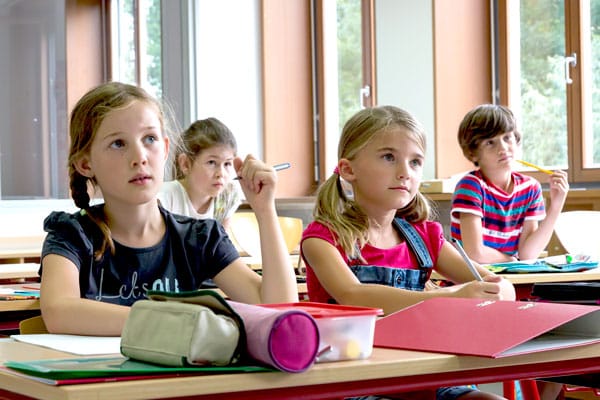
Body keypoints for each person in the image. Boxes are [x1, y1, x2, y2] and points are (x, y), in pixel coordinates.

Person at [39, 81, 298, 336]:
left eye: (149, 139)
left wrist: (264, 210)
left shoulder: (199, 238)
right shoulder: (72, 234)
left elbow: (278, 309)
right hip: (101, 377)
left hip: (179, 378)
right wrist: (177, 321)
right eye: (118, 143)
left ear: (164, 149)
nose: (139, 157)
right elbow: (59, 311)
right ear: (85, 164)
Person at [301, 105, 515, 400]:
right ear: (349, 169)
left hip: (425, 378)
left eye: (415, 162)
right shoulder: (322, 238)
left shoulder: (426, 236)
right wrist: (449, 297)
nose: (404, 172)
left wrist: (501, 289)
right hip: (353, 384)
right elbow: (354, 294)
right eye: (389, 157)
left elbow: (491, 281)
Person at [451, 105, 568, 399]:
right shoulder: (471, 186)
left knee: (560, 334)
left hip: (512, 285)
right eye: (490, 142)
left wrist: (555, 205)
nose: (503, 147)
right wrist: (513, 259)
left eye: (507, 138)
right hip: (471, 285)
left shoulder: (528, 188)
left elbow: (528, 252)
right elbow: (474, 252)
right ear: (473, 153)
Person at [158, 117, 242, 229]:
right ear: (185, 164)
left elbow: (222, 245)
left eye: (227, 164)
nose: (221, 173)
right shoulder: (165, 198)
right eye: (211, 162)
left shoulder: (228, 196)